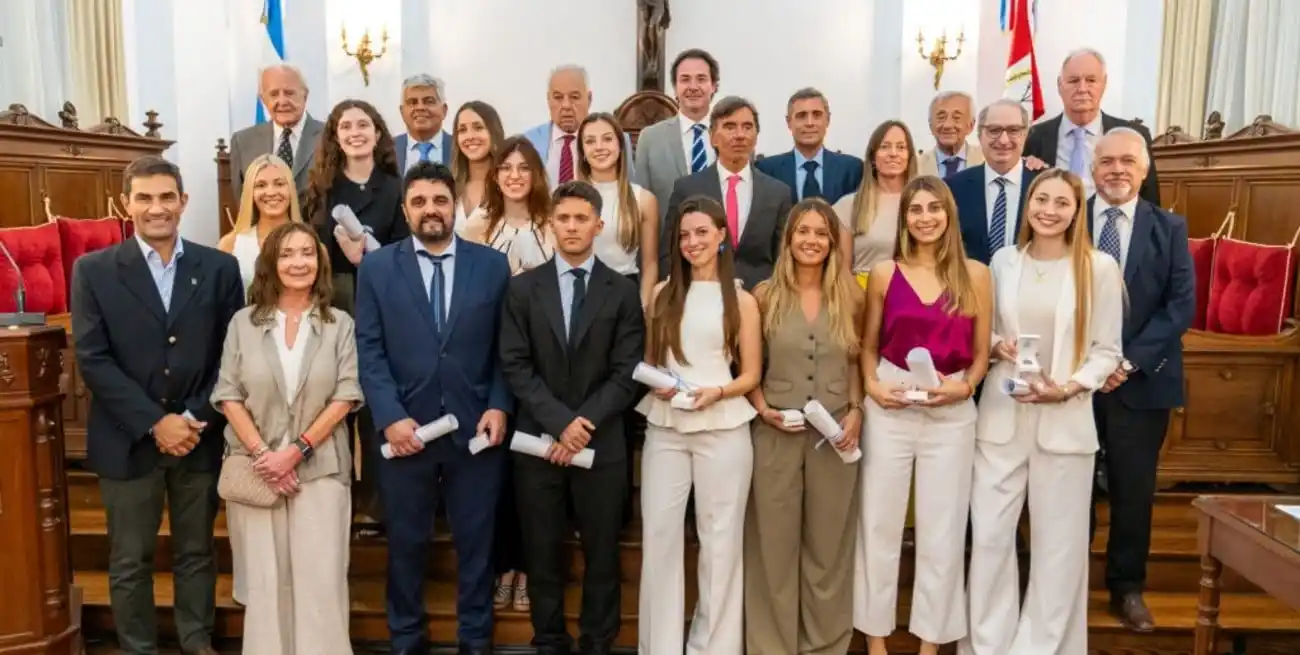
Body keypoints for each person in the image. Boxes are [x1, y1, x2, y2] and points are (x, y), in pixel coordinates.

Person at [71, 155, 245, 655]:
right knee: (130, 559)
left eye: (167, 197)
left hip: (199, 436)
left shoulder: (219, 267)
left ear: (183, 202)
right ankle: (138, 648)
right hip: (127, 440)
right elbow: (93, 359)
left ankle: (196, 642)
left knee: (197, 552)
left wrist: (192, 417)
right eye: (144, 198)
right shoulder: (94, 270)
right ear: (127, 204)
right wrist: (155, 423)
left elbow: (229, 356)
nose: (156, 208)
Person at [354, 161, 512, 655]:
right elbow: (369, 349)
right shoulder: (378, 268)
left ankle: (475, 640)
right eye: (419, 201)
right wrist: (389, 416)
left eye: (440, 200)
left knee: (476, 545)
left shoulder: (491, 265)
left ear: (455, 205)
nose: (431, 210)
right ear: (405, 209)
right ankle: (405, 638)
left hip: (476, 430)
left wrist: (500, 405)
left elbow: (507, 349)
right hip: (405, 431)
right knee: (405, 544)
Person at [963, 169, 1124, 655]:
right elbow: (981, 332)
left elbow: (1107, 350)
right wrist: (997, 345)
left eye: (1062, 203)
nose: (1049, 211)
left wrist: (1071, 387)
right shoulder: (1003, 260)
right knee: (990, 539)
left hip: (1064, 420)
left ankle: (1043, 646)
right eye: (1041, 199)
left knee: (1058, 548)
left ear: (1078, 212)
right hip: (1001, 416)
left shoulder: (1098, 268)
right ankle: (988, 644)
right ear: (1027, 203)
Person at [499, 181, 645, 655]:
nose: (572, 227)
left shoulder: (622, 293)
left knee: (601, 555)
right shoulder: (522, 289)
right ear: (551, 223)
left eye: (582, 218)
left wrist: (581, 425)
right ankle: (548, 642)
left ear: (599, 224)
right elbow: (516, 365)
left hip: (601, 446)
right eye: (564, 218)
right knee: (542, 554)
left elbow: (628, 373)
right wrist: (560, 422)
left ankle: (598, 643)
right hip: (537, 445)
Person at [855, 176, 992, 655]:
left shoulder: (975, 274)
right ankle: (876, 642)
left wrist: (966, 386)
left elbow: (980, 355)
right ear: (905, 218)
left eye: (935, 208)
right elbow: (868, 347)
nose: (926, 217)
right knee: (879, 524)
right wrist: (873, 386)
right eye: (916, 209)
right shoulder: (885, 273)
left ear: (949, 214)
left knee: (943, 527)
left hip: (951, 411)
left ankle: (930, 643)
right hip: (891, 405)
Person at [211, 222, 362, 654]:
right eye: (287, 254)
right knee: (265, 584)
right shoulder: (243, 323)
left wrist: (295, 453)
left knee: (321, 583)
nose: (299, 262)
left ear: (320, 262)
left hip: (321, 470)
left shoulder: (339, 324)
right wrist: (265, 455)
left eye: (307, 253)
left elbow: (347, 394)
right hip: (257, 471)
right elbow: (227, 394)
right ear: (270, 265)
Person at [637, 196, 762, 655]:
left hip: (724, 427)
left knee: (721, 541)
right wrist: (659, 387)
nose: (692, 242)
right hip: (666, 429)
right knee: (661, 538)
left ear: (722, 235)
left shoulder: (743, 300)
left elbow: (750, 374)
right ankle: (661, 647)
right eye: (685, 235)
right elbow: (650, 364)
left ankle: (715, 647)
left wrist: (717, 392)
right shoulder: (661, 294)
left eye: (702, 233)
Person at [744, 198, 864, 654]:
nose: (811, 241)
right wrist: (761, 407)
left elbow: (858, 360)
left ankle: (825, 645)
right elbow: (749, 365)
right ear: (788, 238)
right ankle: (771, 646)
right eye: (803, 232)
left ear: (833, 241)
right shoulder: (763, 296)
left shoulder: (852, 296)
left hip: (836, 439)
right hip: (775, 436)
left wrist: (856, 409)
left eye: (821, 233)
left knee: (829, 548)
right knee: (772, 548)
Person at [1088, 127, 1194, 632]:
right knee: (1072, 488)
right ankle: (1061, 582)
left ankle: (1126, 588)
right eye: (1106, 160)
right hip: (1075, 382)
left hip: (1141, 381)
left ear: (1145, 169)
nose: (1116, 170)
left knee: (1133, 490)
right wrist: (1090, 366)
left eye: (1127, 161)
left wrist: (1124, 362)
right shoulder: (1067, 218)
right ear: (1092, 168)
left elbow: (1180, 307)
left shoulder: (1169, 227)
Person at [302, 98, 408, 528]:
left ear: (378, 133)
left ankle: (378, 503)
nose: (355, 132)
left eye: (363, 124)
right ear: (335, 136)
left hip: (385, 300)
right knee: (334, 398)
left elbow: (406, 252)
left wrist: (372, 256)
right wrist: (338, 253)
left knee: (375, 399)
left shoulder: (397, 187)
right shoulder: (322, 188)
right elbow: (308, 248)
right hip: (336, 298)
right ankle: (335, 502)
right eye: (345, 126)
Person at [660, 97, 793, 290]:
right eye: (730, 127)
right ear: (713, 136)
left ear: (756, 136)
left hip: (760, 298)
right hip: (700, 293)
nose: (740, 135)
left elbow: (784, 255)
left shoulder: (778, 192)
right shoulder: (688, 188)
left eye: (747, 127)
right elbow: (668, 252)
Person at [1023, 48, 1160, 204]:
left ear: (1104, 84)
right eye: (1074, 80)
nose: (1082, 89)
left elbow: (1150, 203)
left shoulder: (1134, 136)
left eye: (1091, 80)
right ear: (1059, 85)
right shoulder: (1034, 136)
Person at [577, 112, 660, 305]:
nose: (599, 147)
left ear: (620, 145)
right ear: (582, 151)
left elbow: (650, 265)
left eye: (607, 139)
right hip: (579, 293)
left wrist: (643, 308)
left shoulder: (643, 199)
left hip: (625, 295)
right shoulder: (567, 196)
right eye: (590, 141)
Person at [634, 48, 721, 222]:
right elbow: (641, 207)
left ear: (714, 86)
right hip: (666, 244)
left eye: (701, 79)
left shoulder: (732, 136)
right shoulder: (650, 139)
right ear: (675, 88)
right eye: (685, 79)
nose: (693, 87)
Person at [950, 99, 1040, 265]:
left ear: (1025, 134)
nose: (1004, 140)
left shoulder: (1044, 185)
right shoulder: (953, 188)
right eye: (994, 130)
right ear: (979, 135)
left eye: (1013, 130)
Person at [832, 120, 918, 281]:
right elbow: (842, 272)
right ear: (872, 156)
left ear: (909, 156)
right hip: (862, 295)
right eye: (885, 147)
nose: (893, 153)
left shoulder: (922, 205)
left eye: (901, 147)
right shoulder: (848, 206)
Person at [523, 65, 634, 187]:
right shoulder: (528, 142)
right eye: (558, 98)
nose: (566, 105)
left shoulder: (616, 141)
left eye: (574, 97)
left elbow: (628, 192)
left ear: (589, 98)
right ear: (548, 99)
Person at [460, 136, 556, 277]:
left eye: (524, 168)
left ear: (535, 175)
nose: (515, 176)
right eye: (506, 168)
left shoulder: (554, 226)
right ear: (495, 176)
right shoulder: (476, 227)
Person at [228, 64, 324, 202]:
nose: (282, 101)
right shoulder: (242, 142)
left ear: (305, 96)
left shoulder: (330, 136)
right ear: (263, 100)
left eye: (289, 93)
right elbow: (243, 204)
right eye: (273, 94)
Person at [755, 88, 864, 205]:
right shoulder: (766, 170)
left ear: (827, 120)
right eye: (801, 116)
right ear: (789, 122)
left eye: (817, 115)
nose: (809, 123)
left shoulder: (852, 169)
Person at [220, 154, 303, 292]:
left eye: (279, 184)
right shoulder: (229, 245)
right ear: (250, 193)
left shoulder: (312, 245)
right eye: (261, 185)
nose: (271, 192)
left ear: (291, 190)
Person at [448, 101, 506, 229]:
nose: (470, 136)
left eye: (478, 127)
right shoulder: (449, 186)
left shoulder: (509, 184)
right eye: (462, 130)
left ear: (493, 132)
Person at [917, 91, 982, 179]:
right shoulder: (916, 166)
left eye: (956, 118)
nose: (948, 125)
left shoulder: (986, 162)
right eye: (941, 117)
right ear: (930, 125)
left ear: (971, 125)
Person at [394, 74, 452, 171]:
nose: (420, 107)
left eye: (429, 101)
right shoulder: (386, 150)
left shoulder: (460, 148)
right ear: (402, 111)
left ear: (444, 110)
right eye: (412, 102)